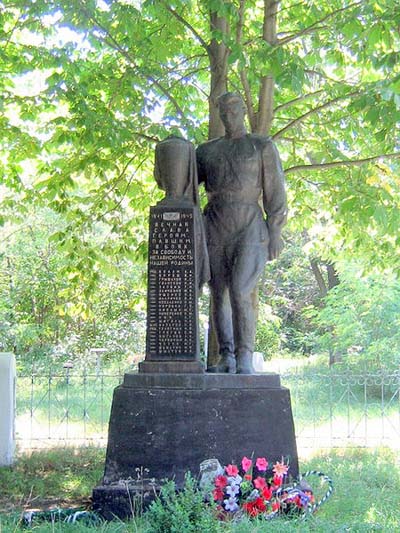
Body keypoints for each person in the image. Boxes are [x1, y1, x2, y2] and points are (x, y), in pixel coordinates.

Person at [196, 92, 287, 374]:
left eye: (234, 108)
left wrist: (275, 230)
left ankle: (245, 355)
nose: (229, 114)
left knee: (239, 289)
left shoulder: (261, 146)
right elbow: (187, 187)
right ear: (219, 114)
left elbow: (275, 190)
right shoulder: (206, 151)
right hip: (215, 222)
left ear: (244, 111)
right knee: (219, 292)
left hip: (249, 223)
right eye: (223, 110)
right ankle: (227, 356)